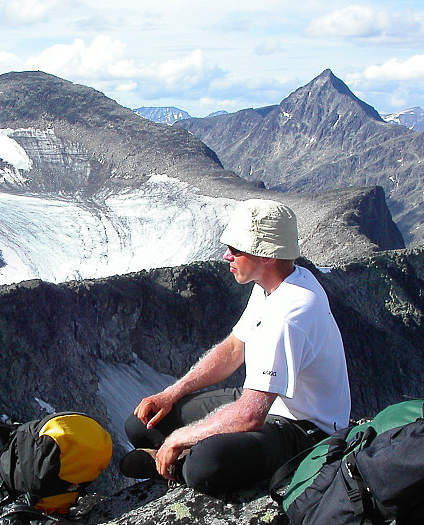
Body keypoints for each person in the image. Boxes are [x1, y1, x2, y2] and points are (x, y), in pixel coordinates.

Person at [121, 199, 351, 496]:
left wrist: (180, 439)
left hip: (304, 428)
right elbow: (233, 350)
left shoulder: (290, 314)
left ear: (266, 256)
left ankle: (177, 461)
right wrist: (170, 394)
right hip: (263, 400)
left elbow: (249, 416)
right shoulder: (271, 285)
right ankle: (173, 457)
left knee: (206, 465)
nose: (227, 256)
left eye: (237, 250)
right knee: (142, 424)